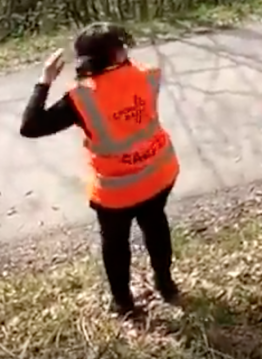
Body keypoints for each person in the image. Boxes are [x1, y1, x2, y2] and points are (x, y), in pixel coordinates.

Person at [18, 22, 180, 318]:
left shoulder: (81, 99)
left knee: (115, 243)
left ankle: (123, 303)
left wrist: (44, 80)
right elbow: (125, 75)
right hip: (159, 171)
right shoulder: (147, 76)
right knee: (156, 224)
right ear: (117, 53)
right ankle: (166, 285)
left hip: (118, 190)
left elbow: (30, 126)